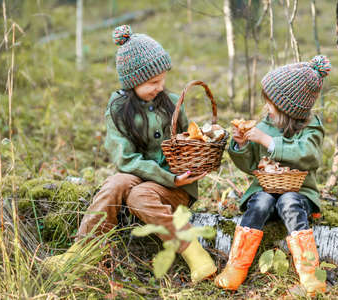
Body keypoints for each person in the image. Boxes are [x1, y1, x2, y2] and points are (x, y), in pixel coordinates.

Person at [44, 25, 217, 283]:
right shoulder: (118, 110)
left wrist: (183, 169)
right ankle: (82, 250)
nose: (160, 87)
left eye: (162, 79)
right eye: (152, 83)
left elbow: (189, 139)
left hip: (176, 185)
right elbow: (124, 159)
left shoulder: (171, 104)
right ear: (132, 82)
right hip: (142, 176)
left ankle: (193, 251)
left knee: (139, 196)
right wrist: (161, 176)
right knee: (116, 181)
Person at [215, 55, 331, 295]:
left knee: (289, 201)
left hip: (300, 193)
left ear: (289, 109)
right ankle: (236, 266)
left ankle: (309, 272)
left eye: (271, 103)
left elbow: (308, 154)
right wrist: (242, 145)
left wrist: (268, 141)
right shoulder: (265, 123)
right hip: (265, 189)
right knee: (260, 202)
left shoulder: (310, 128)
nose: (266, 108)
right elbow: (251, 166)